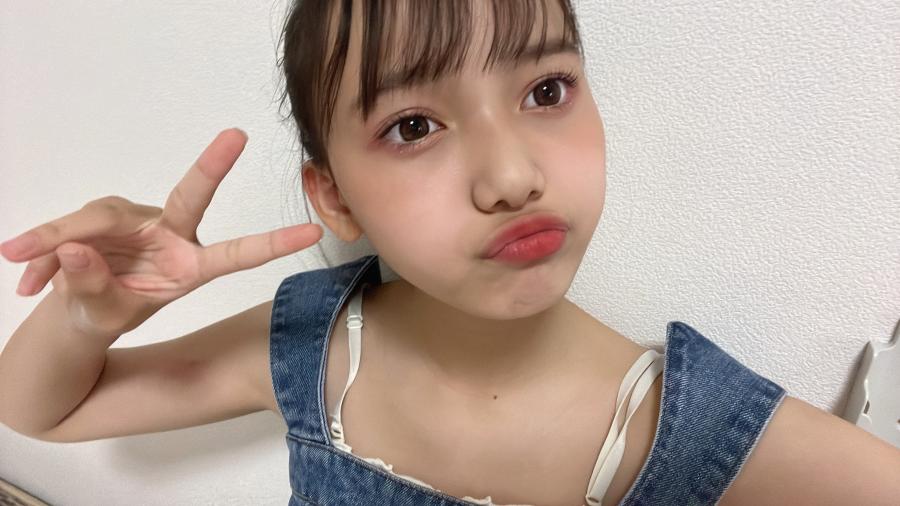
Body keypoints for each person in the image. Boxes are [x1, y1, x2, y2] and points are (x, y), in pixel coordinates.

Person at [1, 1, 898, 505]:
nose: (511, 177)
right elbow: (40, 411)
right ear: (334, 196)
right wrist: (85, 314)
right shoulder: (318, 349)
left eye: (546, 90)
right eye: (413, 126)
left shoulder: (691, 425)